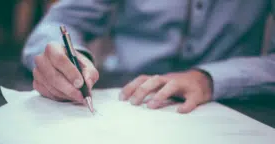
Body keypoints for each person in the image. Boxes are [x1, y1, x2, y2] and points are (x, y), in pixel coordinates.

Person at [22, 0, 275, 113]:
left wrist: (209, 79)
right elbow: (57, 23)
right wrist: (64, 59)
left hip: (235, 103)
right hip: (125, 95)